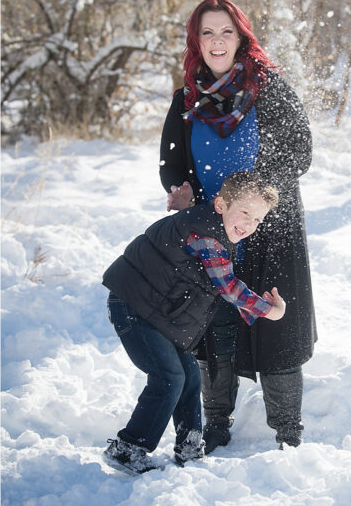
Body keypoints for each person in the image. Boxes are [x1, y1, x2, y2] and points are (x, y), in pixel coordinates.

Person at [160, 0, 316, 452]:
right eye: (207, 33)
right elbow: (172, 162)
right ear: (196, 41)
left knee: (276, 321)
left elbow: (299, 150)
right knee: (213, 327)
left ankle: (288, 433)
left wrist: (253, 198)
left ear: (241, 36)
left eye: (225, 32)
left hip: (271, 228)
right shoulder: (187, 99)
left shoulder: (268, 89)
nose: (217, 41)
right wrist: (181, 190)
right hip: (211, 229)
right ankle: (216, 426)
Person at [101, 171, 286, 474]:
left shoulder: (208, 224)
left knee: (189, 377)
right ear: (221, 205)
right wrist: (270, 310)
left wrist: (185, 207)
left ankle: (189, 445)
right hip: (134, 308)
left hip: (158, 312)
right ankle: (128, 448)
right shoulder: (210, 236)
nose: (249, 225)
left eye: (258, 220)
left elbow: (189, 232)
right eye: (245, 213)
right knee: (169, 378)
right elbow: (228, 286)